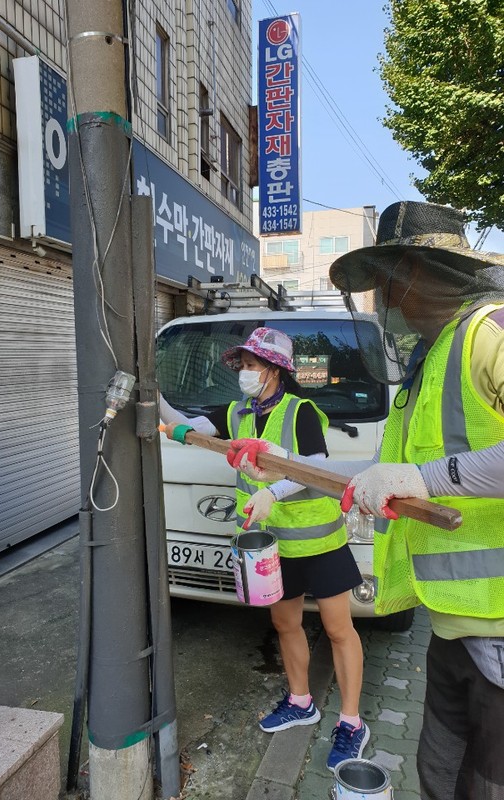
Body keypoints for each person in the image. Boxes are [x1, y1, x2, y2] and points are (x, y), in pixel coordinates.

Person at [225, 202, 504, 800]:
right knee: (442, 776)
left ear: (421, 271)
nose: (384, 298)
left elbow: (419, 475)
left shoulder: (491, 332)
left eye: (387, 279)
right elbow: (378, 470)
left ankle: (349, 720)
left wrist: (425, 480)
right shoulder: (430, 363)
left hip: (498, 626)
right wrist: (281, 467)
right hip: (455, 626)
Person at [160, 326, 370, 772]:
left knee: (337, 628)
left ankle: (351, 723)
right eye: (241, 365)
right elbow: (186, 426)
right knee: (285, 622)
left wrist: (273, 492)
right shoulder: (235, 412)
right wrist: (153, 398)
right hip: (270, 546)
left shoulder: (301, 412)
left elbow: (315, 468)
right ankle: (300, 701)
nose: (244, 373)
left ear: (275, 370)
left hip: (318, 543)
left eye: (252, 365)